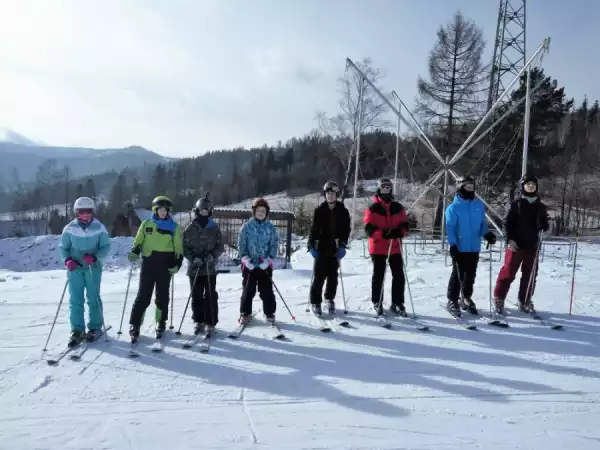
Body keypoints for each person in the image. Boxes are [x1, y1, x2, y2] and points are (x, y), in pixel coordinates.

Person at [127, 196, 183, 341]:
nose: (163, 212)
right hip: (149, 264)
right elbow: (138, 241)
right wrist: (134, 251)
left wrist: (177, 262)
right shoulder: (146, 224)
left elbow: (178, 248)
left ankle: (161, 322)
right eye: (161, 210)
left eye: (166, 210)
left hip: (165, 264)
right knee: (143, 296)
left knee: (162, 296)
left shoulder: (174, 227)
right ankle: (135, 324)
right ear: (155, 210)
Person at [493, 174, 549, 315]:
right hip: (516, 244)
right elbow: (506, 224)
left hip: (532, 244)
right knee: (508, 273)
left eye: (533, 184)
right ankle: (499, 298)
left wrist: (544, 224)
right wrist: (509, 240)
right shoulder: (516, 204)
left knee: (530, 275)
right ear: (522, 186)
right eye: (528, 184)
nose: (531, 186)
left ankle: (524, 300)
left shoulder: (540, 206)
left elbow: (544, 225)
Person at [59, 197, 111, 347]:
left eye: (88, 212)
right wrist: (67, 260)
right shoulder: (69, 228)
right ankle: (77, 330)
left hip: (92, 267)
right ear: (76, 213)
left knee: (93, 297)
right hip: (75, 268)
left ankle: (95, 327)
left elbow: (105, 247)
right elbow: (63, 248)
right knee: (76, 299)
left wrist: (95, 257)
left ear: (93, 212)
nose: (86, 215)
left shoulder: (99, 227)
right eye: (82, 212)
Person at [445, 176, 496, 316]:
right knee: (457, 274)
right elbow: (450, 227)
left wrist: (486, 234)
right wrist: (452, 244)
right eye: (467, 187)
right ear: (460, 187)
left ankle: (465, 297)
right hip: (460, 247)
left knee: (470, 274)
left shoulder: (478, 205)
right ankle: (452, 299)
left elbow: (482, 224)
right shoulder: (453, 208)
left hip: (474, 246)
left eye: (472, 187)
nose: (470, 189)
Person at [363, 178, 410, 317]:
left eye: (389, 187)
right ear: (379, 189)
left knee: (399, 275)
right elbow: (369, 229)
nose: (386, 190)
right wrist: (384, 234)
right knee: (379, 275)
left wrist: (400, 232)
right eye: (383, 187)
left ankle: (398, 302)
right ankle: (377, 301)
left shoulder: (398, 207)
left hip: (395, 246)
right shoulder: (373, 208)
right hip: (378, 247)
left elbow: (405, 225)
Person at [307, 181, 351, 316]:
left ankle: (329, 299)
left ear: (336, 195)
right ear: (325, 195)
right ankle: (315, 301)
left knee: (333, 277)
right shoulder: (319, 210)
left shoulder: (343, 211)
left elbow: (346, 230)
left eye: (332, 193)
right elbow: (314, 229)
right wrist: (311, 244)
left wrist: (343, 245)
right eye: (328, 193)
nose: (330, 196)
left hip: (335, 247)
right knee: (319, 276)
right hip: (321, 246)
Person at [182, 195, 224, 336]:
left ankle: (210, 322)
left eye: (207, 211)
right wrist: (193, 258)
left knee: (211, 295)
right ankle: (198, 320)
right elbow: (184, 247)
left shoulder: (214, 227)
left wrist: (212, 255)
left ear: (210, 211)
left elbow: (220, 246)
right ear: (197, 211)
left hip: (209, 267)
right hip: (195, 268)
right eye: (202, 210)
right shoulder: (190, 227)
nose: (204, 213)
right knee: (196, 295)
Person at [238, 197, 279, 325]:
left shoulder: (271, 228)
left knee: (266, 290)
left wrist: (269, 260)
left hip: (264, 265)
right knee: (248, 289)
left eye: (263, 211)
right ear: (254, 211)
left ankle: (269, 312)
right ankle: (245, 313)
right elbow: (241, 244)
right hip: (250, 265)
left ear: (266, 212)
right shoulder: (246, 227)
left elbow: (274, 244)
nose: (261, 213)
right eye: (258, 210)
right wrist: (245, 259)